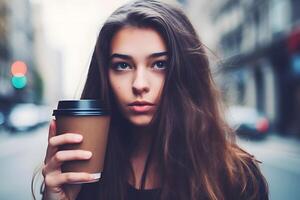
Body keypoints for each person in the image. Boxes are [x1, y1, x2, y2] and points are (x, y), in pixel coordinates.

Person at [40, 0, 269, 199]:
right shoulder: (81, 174)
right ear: (105, 75)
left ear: (185, 72)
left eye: (159, 64)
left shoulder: (237, 177)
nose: (140, 84)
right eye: (123, 65)